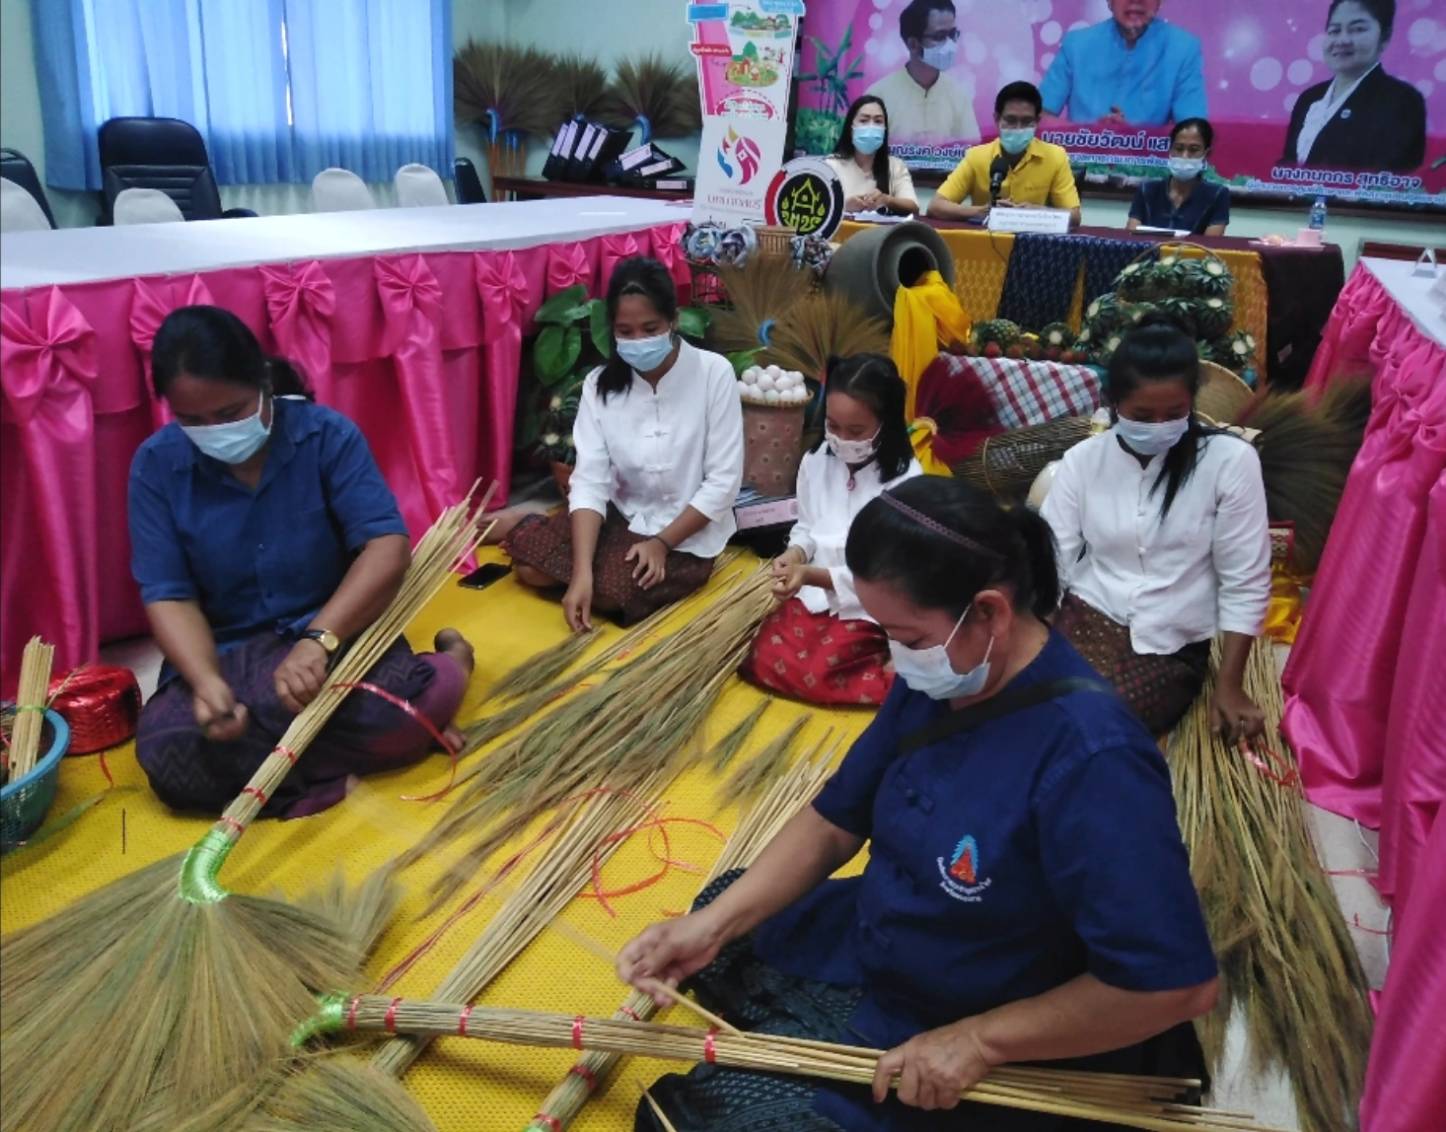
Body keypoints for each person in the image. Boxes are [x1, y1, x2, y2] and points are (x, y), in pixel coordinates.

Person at [620, 476, 1219, 1132]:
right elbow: (833, 820)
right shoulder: (946, 672)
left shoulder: (1095, 761)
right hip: (888, 936)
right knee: (721, 908)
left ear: (988, 611)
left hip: (984, 1004)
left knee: (695, 1122)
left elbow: (1175, 985)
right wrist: (711, 928)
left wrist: (979, 1043)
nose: (891, 653)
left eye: (903, 633)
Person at [129, 306, 473, 818]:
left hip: (335, 636)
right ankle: (375, 747)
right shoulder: (157, 466)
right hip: (232, 654)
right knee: (166, 750)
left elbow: (386, 547)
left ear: (263, 384)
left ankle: (452, 664)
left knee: (393, 707)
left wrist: (319, 640)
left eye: (229, 414)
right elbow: (168, 593)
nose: (214, 431)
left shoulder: (326, 436)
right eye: (191, 421)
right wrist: (205, 684)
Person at [1041, 317, 1270, 737]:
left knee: (1099, 726)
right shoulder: (1083, 461)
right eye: (1142, 415)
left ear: (1192, 402)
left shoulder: (1229, 463)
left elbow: (1246, 579)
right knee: (1029, 708)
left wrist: (1230, 685)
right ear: (1113, 404)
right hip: (1087, 613)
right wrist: (1034, 641)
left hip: (1170, 642)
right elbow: (1051, 559)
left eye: (1175, 414)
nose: (1159, 426)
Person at [504, 257, 744, 632]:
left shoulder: (714, 373)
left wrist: (661, 543)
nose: (638, 342)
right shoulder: (600, 385)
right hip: (624, 514)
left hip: (687, 533)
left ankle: (538, 531)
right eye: (625, 331)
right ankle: (549, 538)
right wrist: (581, 572)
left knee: (613, 595)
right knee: (530, 570)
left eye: (650, 329)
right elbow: (590, 482)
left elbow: (723, 483)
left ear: (673, 321)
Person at [740, 355, 922, 706]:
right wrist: (793, 555)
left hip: (871, 602)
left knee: (822, 669)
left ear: (887, 423)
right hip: (811, 593)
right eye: (832, 425)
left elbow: (888, 577)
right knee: (764, 658)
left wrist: (811, 574)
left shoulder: (907, 481)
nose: (840, 439)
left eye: (856, 431)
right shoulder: (816, 460)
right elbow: (807, 526)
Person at [1281, 0, 1425, 172]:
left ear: (1385, 37)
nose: (1342, 40)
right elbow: (1288, 167)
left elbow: (1388, 176)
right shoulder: (1310, 98)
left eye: (1357, 29)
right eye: (1334, 31)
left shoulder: (1403, 101)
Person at [927, 81, 1082, 226]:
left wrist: (1038, 213)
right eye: (1011, 120)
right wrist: (982, 211)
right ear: (997, 119)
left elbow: (1074, 217)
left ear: (1037, 121)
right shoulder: (976, 156)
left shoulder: (1056, 156)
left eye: (1027, 121)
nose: (1018, 128)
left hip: (1032, 245)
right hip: (984, 244)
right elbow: (936, 206)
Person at [1040, 1, 1207, 127]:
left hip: (1150, 167)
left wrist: (1132, 137)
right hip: (1078, 164)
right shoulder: (1076, 44)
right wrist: (1089, 134)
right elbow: (1040, 116)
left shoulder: (1183, 47)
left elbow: (1193, 129)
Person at [864, 0, 979, 145]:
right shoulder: (878, 96)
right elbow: (865, 155)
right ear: (913, 44)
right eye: (939, 36)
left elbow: (972, 153)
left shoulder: (959, 95)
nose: (950, 45)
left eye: (953, 34)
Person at [1127, 118, 1230, 235]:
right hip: (1149, 253)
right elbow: (1131, 239)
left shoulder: (1218, 194)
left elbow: (1211, 246)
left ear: (1206, 153)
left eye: (1193, 150)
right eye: (1179, 148)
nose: (1184, 156)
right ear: (1170, 150)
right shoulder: (1147, 190)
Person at [825, 96, 919, 216]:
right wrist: (843, 206)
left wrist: (887, 200)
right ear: (851, 127)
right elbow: (816, 208)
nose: (871, 127)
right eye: (864, 121)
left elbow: (913, 207)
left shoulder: (896, 166)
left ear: (885, 129)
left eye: (878, 121)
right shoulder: (831, 165)